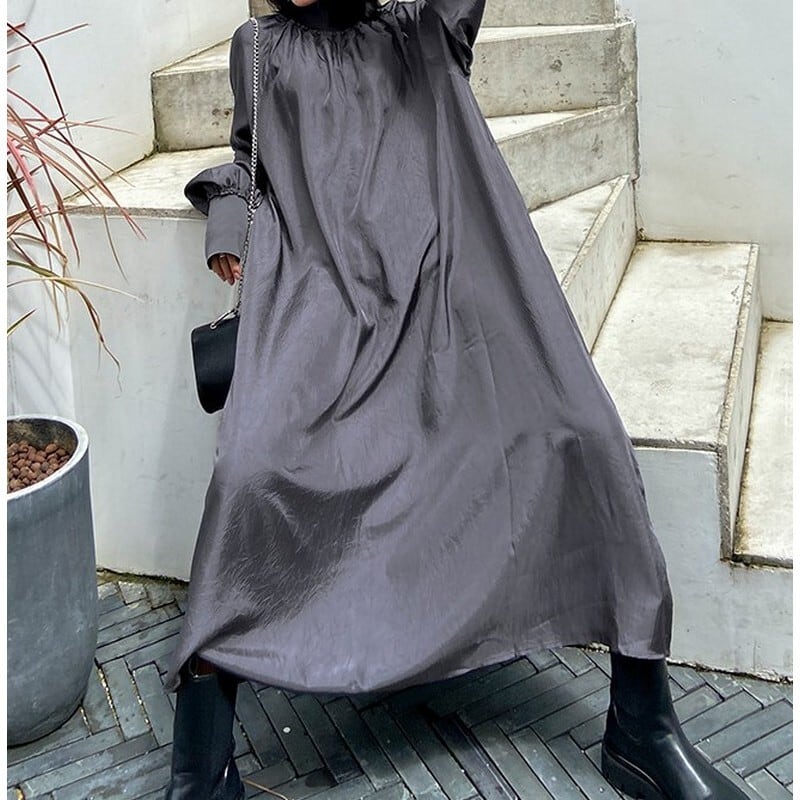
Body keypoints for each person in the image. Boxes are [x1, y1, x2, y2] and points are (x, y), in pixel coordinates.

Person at [162, 1, 749, 798]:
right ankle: (201, 769)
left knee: (586, 433)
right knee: (249, 475)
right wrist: (228, 222)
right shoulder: (257, 47)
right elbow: (250, 156)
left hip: (443, 307)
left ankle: (644, 731)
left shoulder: (420, 31)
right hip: (324, 309)